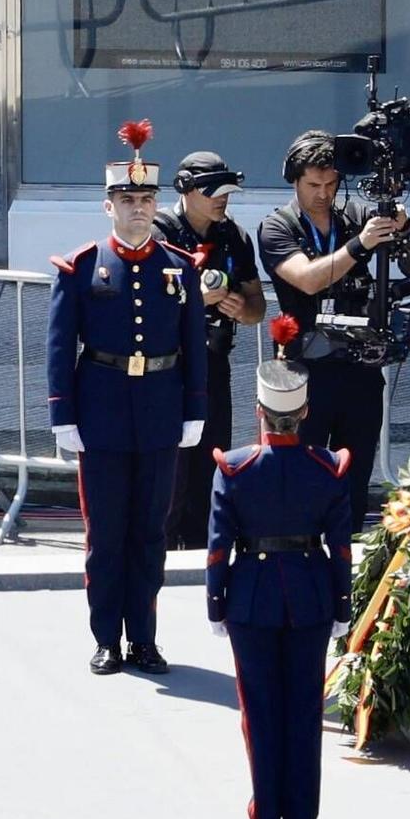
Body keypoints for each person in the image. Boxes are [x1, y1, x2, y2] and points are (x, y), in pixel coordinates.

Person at [47, 120, 207, 676]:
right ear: (108, 204)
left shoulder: (180, 269)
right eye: (127, 199)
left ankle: (144, 637)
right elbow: (60, 344)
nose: (138, 209)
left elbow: (194, 346)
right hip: (103, 414)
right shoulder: (83, 267)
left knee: (150, 533)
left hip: (161, 411)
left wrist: (195, 408)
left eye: (145, 199)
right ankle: (106, 638)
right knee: (106, 534)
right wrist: (62, 414)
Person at [207, 315, 353, 819]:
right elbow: (339, 546)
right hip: (312, 598)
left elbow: (219, 547)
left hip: (251, 599)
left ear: (259, 412)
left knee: (261, 716)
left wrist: (215, 606)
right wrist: (342, 604)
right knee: (304, 715)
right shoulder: (328, 468)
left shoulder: (235, 469)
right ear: (306, 413)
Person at [257, 129, 410, 537]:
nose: (323, 193)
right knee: (302, 478)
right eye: (313, 185)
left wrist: (403, 224)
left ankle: (346, 558)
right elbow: (307, 280)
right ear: (294, 180)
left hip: (358, 367)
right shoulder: (276, 227)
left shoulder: (352, 215)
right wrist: (359, 245)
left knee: (354, 476)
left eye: (331, 184)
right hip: (304, 372)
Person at [154, 150, 265, 550]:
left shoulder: (233, 235)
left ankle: (203, 556)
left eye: (227, 192)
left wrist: (242, 307)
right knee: (171, 471)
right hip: (168, 368)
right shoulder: (158, 233)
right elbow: (141, 308)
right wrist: (194, 300)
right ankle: (161, 557)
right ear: (186, 190)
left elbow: (257, 306)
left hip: (214, 364)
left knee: (210, 462)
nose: (223, 199)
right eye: (213, 192)